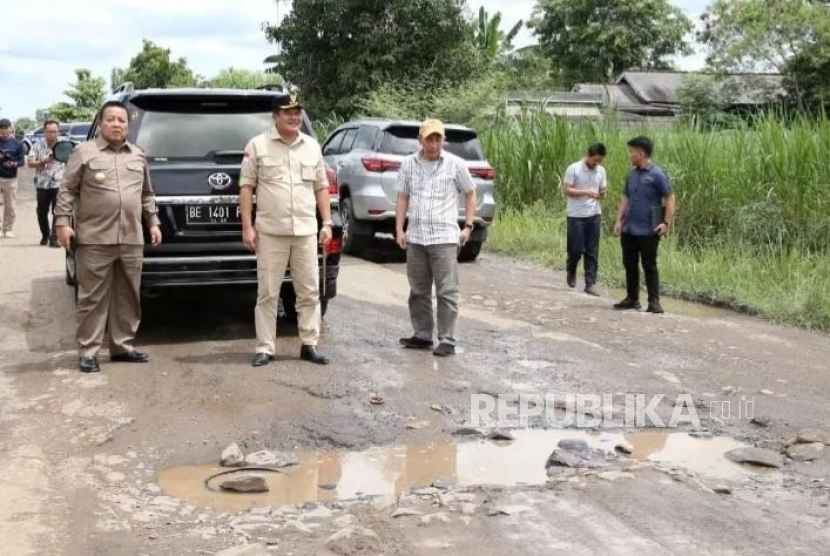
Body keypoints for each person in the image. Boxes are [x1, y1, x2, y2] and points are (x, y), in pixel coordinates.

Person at [55, 101, 163, 373]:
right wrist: (62, 223)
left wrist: (153, 221)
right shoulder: (84, 152)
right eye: (111, 119)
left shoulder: (138, 155)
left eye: (122, 120)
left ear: (128, 125)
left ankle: (122, 346)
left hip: (131, 237)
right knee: (92, 297)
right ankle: (88, 351)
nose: (117, 124)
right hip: (94, 238)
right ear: (101, 123)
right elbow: (67, 190)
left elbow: (147, 194)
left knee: (128, 295)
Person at [240, 93, 333, 368]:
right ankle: (265, 347)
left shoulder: (312, 147)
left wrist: (326, 222)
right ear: (275, 116)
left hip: (305, 230)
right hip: (271, 231)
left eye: (298, 112)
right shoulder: (258, 145)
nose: (295, 117)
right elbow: (246, 187)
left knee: (309, 291)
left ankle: (309, 344)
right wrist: (247, 226)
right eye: (288, 112)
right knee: (268, 292)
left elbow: (321, 187)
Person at [395, 119, 477, 357]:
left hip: (444, 237)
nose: (433, 144)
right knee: (418, 290)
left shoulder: (456, 165)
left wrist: (468, 226)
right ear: (420, 140)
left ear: (443, 140)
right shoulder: (408, 164)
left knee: (446, 291)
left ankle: (447, 339)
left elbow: (471, 194)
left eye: (437, 139)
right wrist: (400, 229)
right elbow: (402, 197)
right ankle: (422, 335)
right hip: (417, 237)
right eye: (429, 139)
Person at [613, 136, 676, 314]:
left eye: (631, 152)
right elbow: (625, 199)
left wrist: (666, 222)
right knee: (629, 264)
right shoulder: (631, 175)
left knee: (649, 265)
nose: (629, 156)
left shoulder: (657, 174)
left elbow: (670, 197)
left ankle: (654, 302)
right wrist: (618, 220)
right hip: (629, 228)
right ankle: (632, 298)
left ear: (641, 153)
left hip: (649, 229)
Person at [562, 143, 607, 296]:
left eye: (599, 161)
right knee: (576, 249)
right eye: (595, 160)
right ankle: (572, 267)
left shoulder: (601, 171)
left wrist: (602, 194)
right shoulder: (574, 168)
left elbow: (603, 189)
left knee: (592, 250)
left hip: (594, 214)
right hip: (576, 215)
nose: (596, 164)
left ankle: (590, 283)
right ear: (588, 155)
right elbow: (566, 190)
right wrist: (585, 192)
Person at [28, 120, 65, 247]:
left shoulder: (64, 145)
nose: (52, 134)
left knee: (58, 211)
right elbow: (30, 163)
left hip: (59, 184)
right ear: (44, 131)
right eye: (49, 131)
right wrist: (43, 161)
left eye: (55, 131)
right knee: (41, 212)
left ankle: (54, 238)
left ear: (58, 131)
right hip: (42, 184)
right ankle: (45, 234)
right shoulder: (37, 146)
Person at [0, 118, 26, 238]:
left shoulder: (18, 144)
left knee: (10, 206)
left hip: (10, 178)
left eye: (6, 128)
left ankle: (8, 228)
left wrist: (13, 164)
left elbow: (22, 162)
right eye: (1, 129)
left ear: (11, 128)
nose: (4, 131)